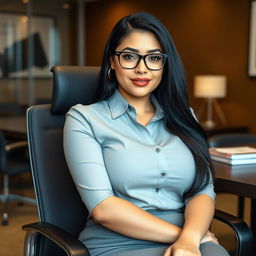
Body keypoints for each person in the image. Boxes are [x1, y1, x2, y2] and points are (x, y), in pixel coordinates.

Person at [63, 12, 230, 256]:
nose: (142, 69)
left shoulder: (186, 117)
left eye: (153, 58)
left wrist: (191, 239)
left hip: (192, 238)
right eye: (129, 57)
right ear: (112, 61)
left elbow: (202, 191)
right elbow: (103, 209)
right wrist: (185, 237)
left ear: (164, 64)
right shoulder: (85, 119)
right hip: (117, 241)